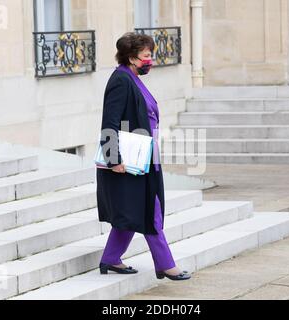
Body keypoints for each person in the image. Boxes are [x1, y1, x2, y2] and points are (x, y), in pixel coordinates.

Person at [96, 32, 191, 281]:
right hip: (128, 160)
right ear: (131, 57)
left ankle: (110, 259)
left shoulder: (133, 78)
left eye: (151, 55)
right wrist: (113, 158)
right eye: (147, 56)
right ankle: (165, 264)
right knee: (151, 211)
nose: (151, 60)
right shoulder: (121, 80)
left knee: (132, 211)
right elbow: (110, 121)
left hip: (146, 156)